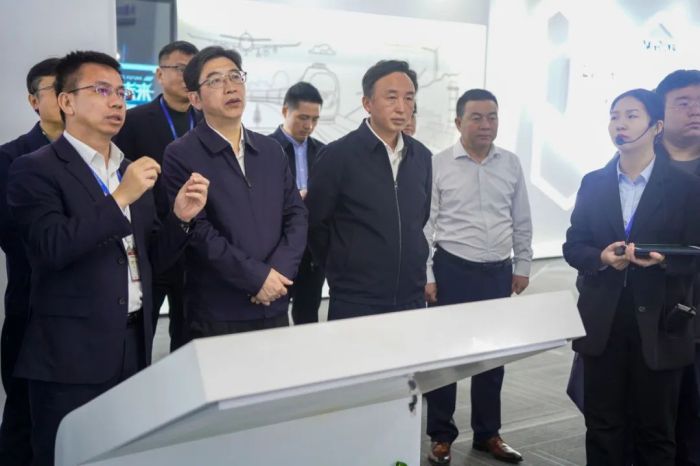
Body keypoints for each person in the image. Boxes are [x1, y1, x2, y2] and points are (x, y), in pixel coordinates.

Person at [6, 50, 209, 466]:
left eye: (121, 92)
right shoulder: (35, 169)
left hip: (133, 344)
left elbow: (151, 259)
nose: (117, 101)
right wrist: (120, 198)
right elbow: (50, 247)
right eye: (101, 91)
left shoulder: (128, 169)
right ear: (66, 101)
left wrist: (181, 219)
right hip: (69, 357)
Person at [563, 88, 700, 466]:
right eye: (614, 116)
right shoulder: (594, 182)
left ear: (657, 126)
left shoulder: (686, 187)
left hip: (661, 322)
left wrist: (663, 261)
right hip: (602, 320)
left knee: (655, 430)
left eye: (631, 115)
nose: (619, 124)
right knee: (602, 425)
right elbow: (574, 245)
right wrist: (601, 258)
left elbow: (695, 253)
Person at [162, 46, 307, 337]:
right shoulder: (181, 154)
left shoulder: (270, 150)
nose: (230, 87)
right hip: (219, 311)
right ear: (195, 99)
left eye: (235, 76)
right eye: (215, 80)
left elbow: (296, 215)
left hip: (276, 301)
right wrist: (257, 278)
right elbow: (198, 232)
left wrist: (278, 274)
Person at [423, 89, 532, 465]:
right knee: (445, 357)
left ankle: (488, 434)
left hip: (497, 272)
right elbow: (426, 225)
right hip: (452, 270)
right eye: (476, 117)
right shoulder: (438, 164)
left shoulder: (511, 163)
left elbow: (521, 218)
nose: (486, 124)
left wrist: (522, 265)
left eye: (492, 117)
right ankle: (441, 436)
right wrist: (427, 273)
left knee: (492, 357)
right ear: (458, 122)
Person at [306, 59, 431, 320]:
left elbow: (420, 217)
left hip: (411, 296)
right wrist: (343, 268)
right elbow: (315, 224)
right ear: (367, 103)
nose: (402, 107)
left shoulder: (422, 156)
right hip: (356, 299)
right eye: (391, 97)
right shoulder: (337, 156)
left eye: (409, 98)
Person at [114, 40, 200, 350]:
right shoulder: (133, 121)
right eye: (180, 68)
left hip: (196, 244)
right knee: (142, 331)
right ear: (160, 74)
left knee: (189, 334)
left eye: (193, 70)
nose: (187, 76)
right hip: (152, 244)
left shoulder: (207, 121)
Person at [0, 57, 62, 466]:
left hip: (91, 315)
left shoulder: (106, 157)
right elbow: (13, 234)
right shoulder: (11, 157)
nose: (64, 99)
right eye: (54, 91)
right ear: (33, 101)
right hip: (33, 304)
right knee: (24, 416)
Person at [655, 69, 700, 466]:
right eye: (683, 103)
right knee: (652, 419)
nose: (695, 111)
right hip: (651, 316)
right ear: (661, 112)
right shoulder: (635, 163)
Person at [268, 82, 326, 324]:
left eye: (314, 119)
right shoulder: (264, 149)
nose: (309, 125)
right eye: (303, 117)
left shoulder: (324, 152)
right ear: (285, 111)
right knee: (273, 316)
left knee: (308, 316)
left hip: (312, 251)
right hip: (277, 249)